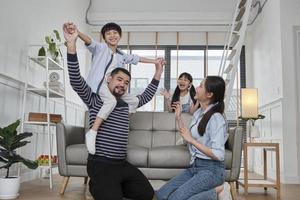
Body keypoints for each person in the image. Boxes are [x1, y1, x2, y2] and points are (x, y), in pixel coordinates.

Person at [63, 23, 164, 200]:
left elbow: (146, 96)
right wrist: (72, 44)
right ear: (109, 79)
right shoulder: (95, 99)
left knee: (147, 194)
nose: (122, 84)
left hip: (121, 164)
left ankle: (107, 185)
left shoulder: (126, 104)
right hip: (100, 164)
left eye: (126, 82)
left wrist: (158, 71)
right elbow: (76, 80)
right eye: (119, 79)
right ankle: (99, 184)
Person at [156, 76, 231, 200]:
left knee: (175, 198)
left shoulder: (216, 118)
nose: (196, 88)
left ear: (209, 94)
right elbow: (187, 136)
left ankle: (218, 191)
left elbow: (219, 155)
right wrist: (178, 117)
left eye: (201, 86)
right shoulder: (198, 113)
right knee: (161, 194)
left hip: (212, 170)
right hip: (195, 167)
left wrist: (191, 140)